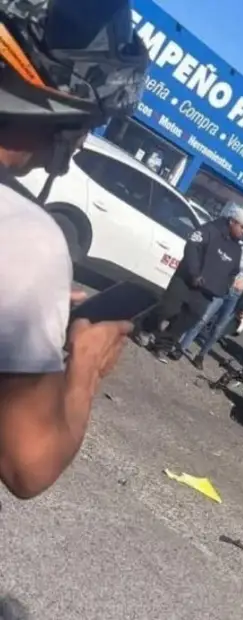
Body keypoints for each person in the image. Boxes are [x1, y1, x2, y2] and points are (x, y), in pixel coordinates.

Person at [0, 0, 150, 499]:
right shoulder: (25, 237)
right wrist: (84, 365)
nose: (82, 140)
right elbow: (29, 464)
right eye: (90, 121)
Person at [140, 205, 243, 362]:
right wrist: (194, 273)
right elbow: (192, 247)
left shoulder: (237, 249)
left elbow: (233, 271)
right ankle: (146, 328)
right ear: (232, 222)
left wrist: (223, 287)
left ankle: (162, 346)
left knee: (187, 320)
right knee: (168, 309)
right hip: (186, 280)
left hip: (207, 291)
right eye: (242, 227)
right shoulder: (210, 230)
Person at [180, 226, 243, 370]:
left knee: (218, 329)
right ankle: (182, 346)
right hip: (222, 290)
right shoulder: (239, 249)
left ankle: (201, 355)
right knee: (202, 319)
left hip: (236, 297)